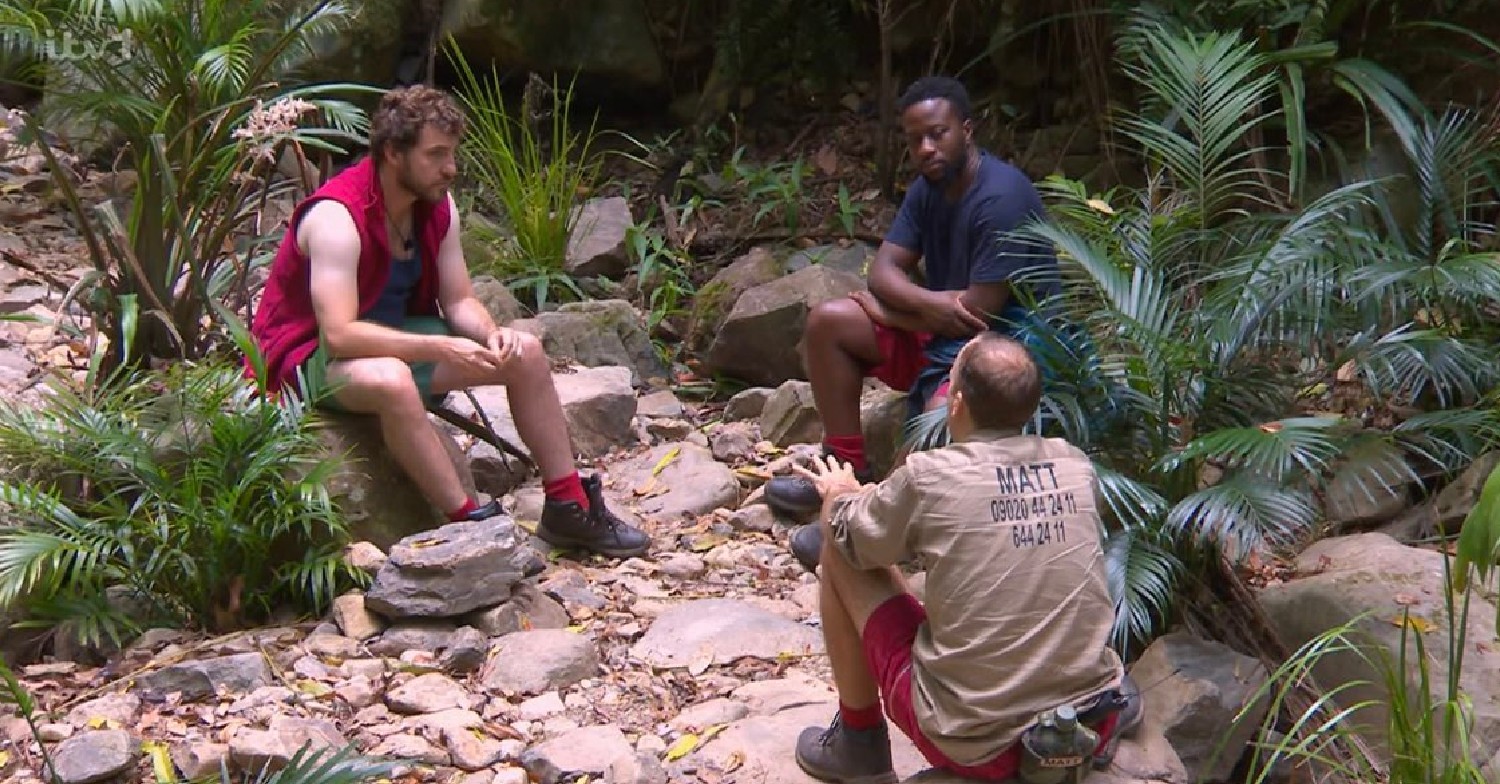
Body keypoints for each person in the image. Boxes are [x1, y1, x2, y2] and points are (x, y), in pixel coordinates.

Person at [247, 85, 650, 559]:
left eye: (453, 153)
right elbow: (338, 335)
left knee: (526, 352)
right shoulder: (336, 218)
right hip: (308, 361)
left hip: (395, 340)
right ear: (393, 153)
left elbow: (458, 300)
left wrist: (489, 333)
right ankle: (470, 523)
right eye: (436, 155)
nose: (450, 168)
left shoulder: (437, 206)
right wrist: (441, 349)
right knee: (394, 380)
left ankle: (568, 505)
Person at [788, 333, 1139, 784]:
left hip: (981, 747)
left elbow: (849, 535)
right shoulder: (1074, 465)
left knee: (838, 546)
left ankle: (858, 746)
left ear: (955, 404)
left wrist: (839, 493)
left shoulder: (930, 475)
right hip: (1089, 718)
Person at [764, 75, 1065, 571]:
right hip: (942, 335)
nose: (925, 148)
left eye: (938, 133)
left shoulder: (1001, 198)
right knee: (829, 322)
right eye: (914, 139)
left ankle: (865, 524)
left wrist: (891, 311)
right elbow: (883, 270)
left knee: (945, 407)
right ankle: (845, 467)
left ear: (967, 130)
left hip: (1009, 350)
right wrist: (921, 306)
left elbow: (977, 314)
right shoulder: (930, 187)